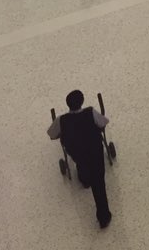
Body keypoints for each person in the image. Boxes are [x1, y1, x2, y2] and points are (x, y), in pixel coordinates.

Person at [47, 90, 112, 228]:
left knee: (82, 163)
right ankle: (104, 217)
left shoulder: (62, 120)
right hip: (95, 151)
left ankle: (85, 180)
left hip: (77, 153)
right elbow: (103, 123)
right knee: (99, 183)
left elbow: (52, 134)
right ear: (82, 102)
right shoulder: (90, 112)